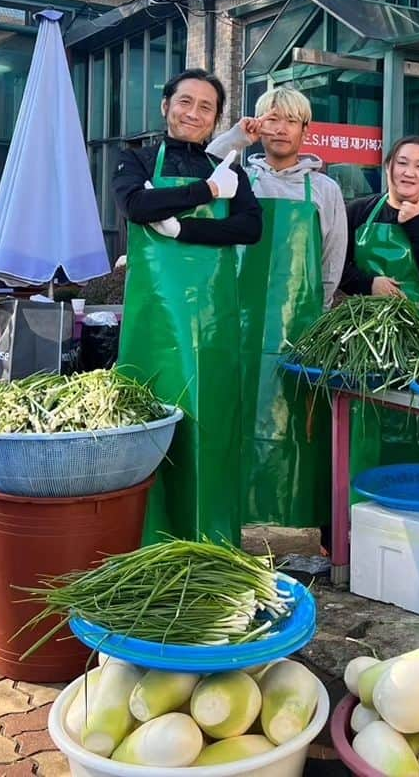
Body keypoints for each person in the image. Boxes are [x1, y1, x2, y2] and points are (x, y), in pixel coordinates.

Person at [112, 69, 262, 546]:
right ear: (165, 105)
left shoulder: (230, 169)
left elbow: (250, 228)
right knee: (150, 419)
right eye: (185, 102)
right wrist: (207, 193)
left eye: (206, 108)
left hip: (213, 322)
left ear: (216, 119)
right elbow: (137, 206)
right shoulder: (133, 160)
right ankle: (149, 537)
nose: (193, 113)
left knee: (211, 423)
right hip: (153, 320)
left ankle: (212, 537)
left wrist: (186, 228)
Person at [206, 87, 348, 528]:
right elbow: (199, 170)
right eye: (272, 118)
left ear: (306, 130)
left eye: (291, 120)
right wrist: (235, 138)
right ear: (258, 124)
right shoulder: (237, 177)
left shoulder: (324, 189)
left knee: (295, 430)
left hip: (300, 331)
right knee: (236, 420)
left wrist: (319, 317)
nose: (281, 128)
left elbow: (332, 259)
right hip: (237, 328)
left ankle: (296, 521)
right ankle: (232, 520)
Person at [340, 135, 419, 477]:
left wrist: (415, 226)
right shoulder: (359, 211)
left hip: (418, 340)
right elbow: (336, 266)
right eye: (403, 163)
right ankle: (357, 509)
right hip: (363, 341)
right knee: (364, 421)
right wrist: (369, 284)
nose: (409, 172)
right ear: (388, 167)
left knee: (417, 422)